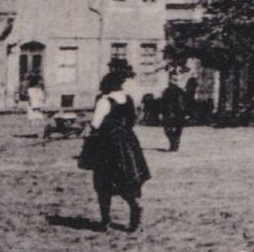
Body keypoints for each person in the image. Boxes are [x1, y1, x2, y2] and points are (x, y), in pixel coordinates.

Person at [79, 69, 151, 233]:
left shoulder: (105, 100)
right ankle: (135, 214)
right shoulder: (128, 99)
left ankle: (105, 222)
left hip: (107, 145)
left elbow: (96, 123)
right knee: (127, 179)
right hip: (128, 144)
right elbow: (132, 120)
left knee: (103, 184)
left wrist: (87, 129)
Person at [160, 75, 188, 152]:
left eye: (174, 79)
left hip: (176, 113)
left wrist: (185, 113)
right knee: (168, 130)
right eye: (171, 79)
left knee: (176, 129)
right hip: (170, 113)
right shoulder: (167, 91)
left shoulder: (180, 91)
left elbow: (183, 103)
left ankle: (175, 143)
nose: (172, 81)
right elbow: (163, 103)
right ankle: (173, 142)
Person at [23, 76, 48, 141]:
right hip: (34, 106)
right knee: (36, 120)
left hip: (37, 106)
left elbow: (42, 98)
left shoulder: (37, 90)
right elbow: (42, 98)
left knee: (37, 120)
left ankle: (38, 133)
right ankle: (37, 133)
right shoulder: (32, 90)